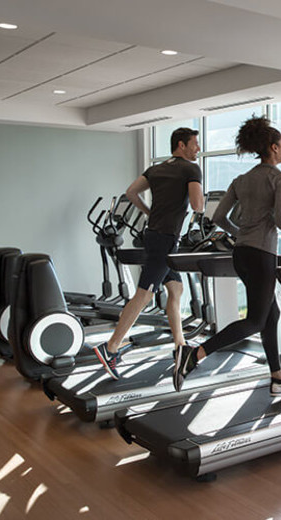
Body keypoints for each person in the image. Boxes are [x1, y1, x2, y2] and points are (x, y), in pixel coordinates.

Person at [173, 116, 281, 398]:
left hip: (241, 253)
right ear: (273, 148)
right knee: (257, 319)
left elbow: (219, 216)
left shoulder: (241, 180)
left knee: (272, 314)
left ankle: (277, 377)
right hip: (262, 255)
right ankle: (195, 354)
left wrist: (241, 232)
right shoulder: (280, 179)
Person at [94, 127, 204, 379]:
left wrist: (148, 212)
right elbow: (197, 205)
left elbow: (131, 192)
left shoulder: (155, 169)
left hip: (155, 234)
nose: (198, 148)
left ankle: (180, 346)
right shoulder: (191, 169)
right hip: (166, 238)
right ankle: (110, 348)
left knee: (175, 289)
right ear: (181, 145)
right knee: (144, 294)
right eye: (195, 144)